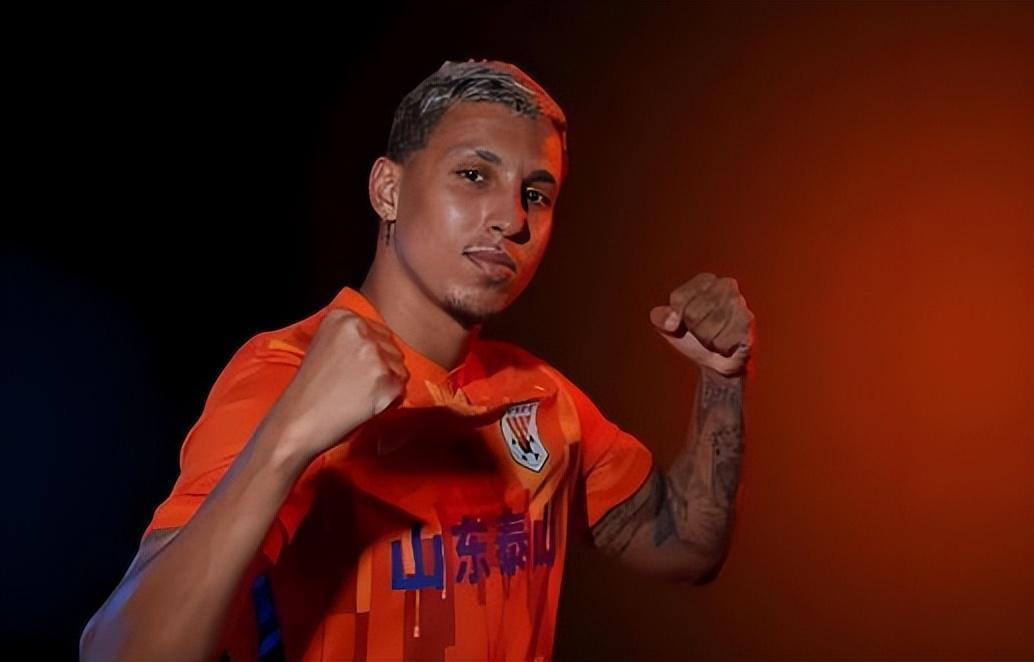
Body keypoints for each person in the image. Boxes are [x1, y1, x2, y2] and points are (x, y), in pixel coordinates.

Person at [80, 58, 756, 662]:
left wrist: (720, 378)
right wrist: (289, 436)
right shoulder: (284, 375)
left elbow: (686, 547)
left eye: (536, 193)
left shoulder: (542, 399)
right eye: (473, 175)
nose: (511, 219)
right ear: (388, 191)